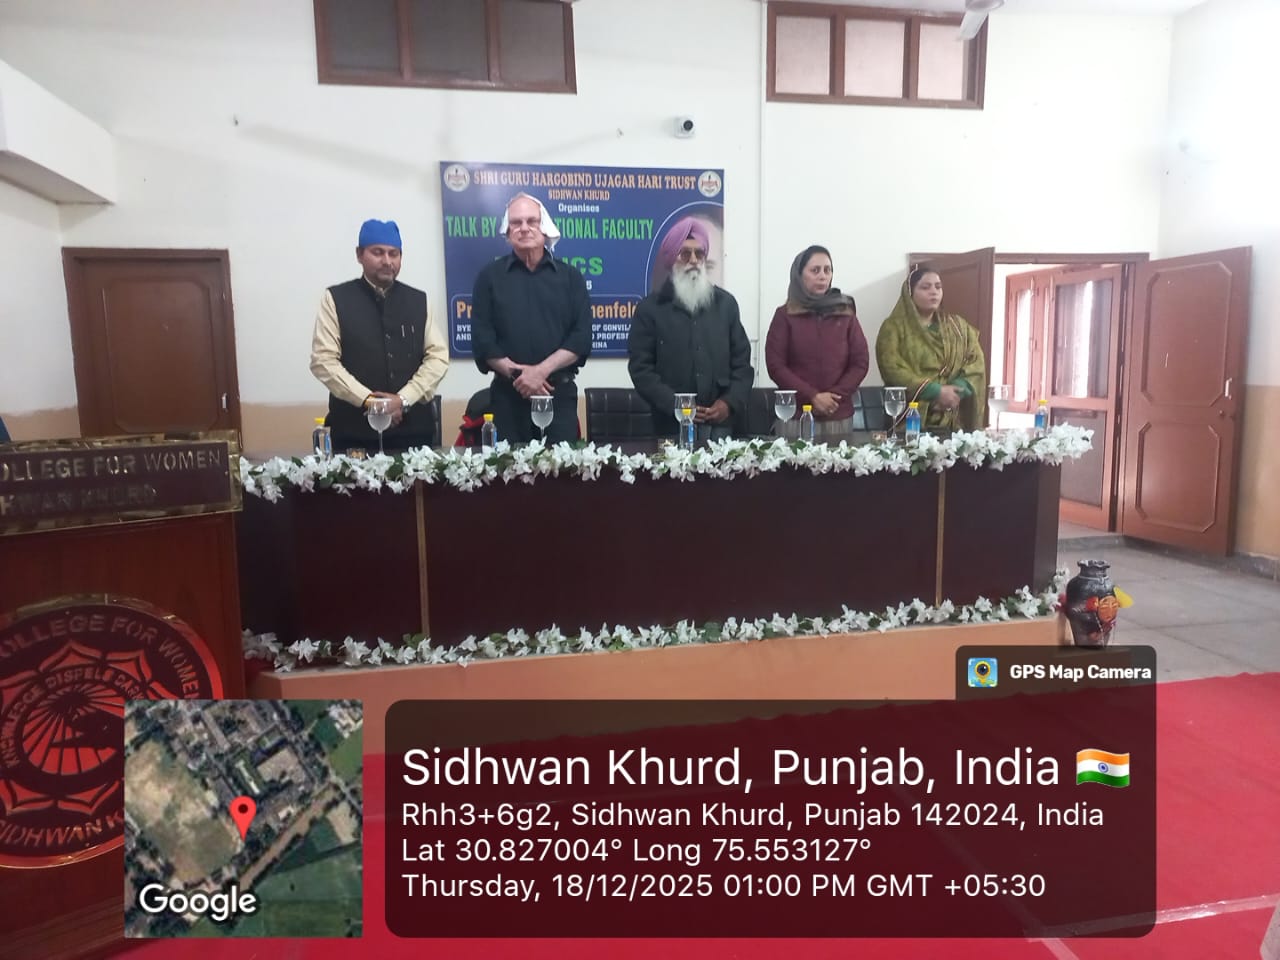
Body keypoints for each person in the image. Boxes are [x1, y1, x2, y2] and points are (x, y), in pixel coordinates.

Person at [309, 218, 449, 453]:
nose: (387, 261)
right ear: (359, 254)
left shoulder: (419, 301)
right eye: (378, 252)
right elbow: (323, 361)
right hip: (354, 436)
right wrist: (370, 401)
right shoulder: (335, 299)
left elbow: (438, 357)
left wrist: (402, 399)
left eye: (394, 254)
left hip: (413, 436)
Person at [470, 193, 592, 443]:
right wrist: (521, 376)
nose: (524, 228)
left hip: (558, 398)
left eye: (531, 221)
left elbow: (581, 338)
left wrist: (540, 372)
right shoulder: (489, 278)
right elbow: (483, 340)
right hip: (507, 399)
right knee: (508, 468)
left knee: (562, 468)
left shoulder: (571, 278)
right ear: (507, 231)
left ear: (544, 226)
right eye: (516, 222)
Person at [627, 217, 753, 440]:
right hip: (670, 425)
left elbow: (742, 365)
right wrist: (676, 404)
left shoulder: (726, 305)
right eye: (685, 254)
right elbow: (641, 370)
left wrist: (728, 403)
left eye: (699, 253)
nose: (694, 260)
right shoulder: (650, 309)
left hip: (720, 425)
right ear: (671, 260)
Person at [764, 245, 869, 437]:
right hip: (795, 416)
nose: (822, 276)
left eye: (827, 270)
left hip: (837, 414)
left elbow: (860, 362)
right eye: (815, 270)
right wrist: (812, 396)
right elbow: (775, 365)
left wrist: (833, 398)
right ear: (799, 275)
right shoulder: (785, 315)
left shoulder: (845, 312)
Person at [875, 266, 986, 432]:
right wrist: (935, 392)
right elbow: (891, 368)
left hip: (954, 417)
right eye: (925, 287)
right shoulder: (893, 328)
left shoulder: (958, 327)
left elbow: (975, 362)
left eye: (938, 287)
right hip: (910, 418)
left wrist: (955, 391)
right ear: (909, 293)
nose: (934, 292)